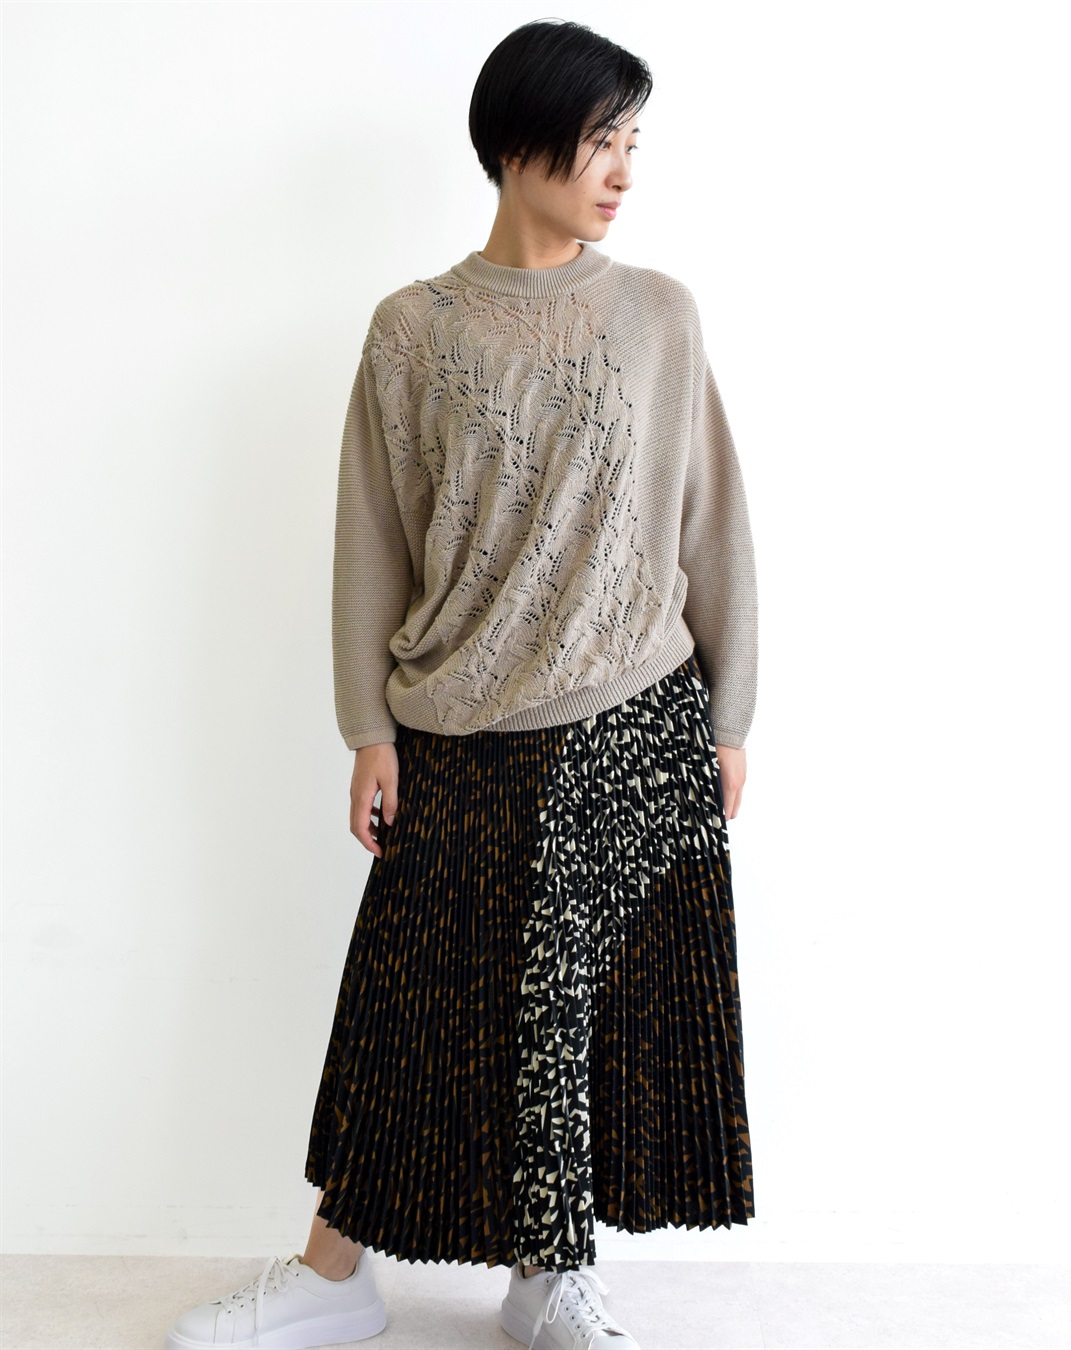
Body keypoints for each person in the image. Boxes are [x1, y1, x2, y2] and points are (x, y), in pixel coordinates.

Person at [165, 17, 757, 1350]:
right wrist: (365, 728)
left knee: (575, 1005)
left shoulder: (659, 315)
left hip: (635, 711)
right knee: (413, 1001)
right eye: (599, 140)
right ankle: (336, 1276)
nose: (623, 170)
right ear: (516, 145)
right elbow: (372, 540)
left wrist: (731, 716)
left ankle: (549, 1275)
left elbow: (711, 520)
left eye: (633, 141)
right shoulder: (413, 330)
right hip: (457, 722)